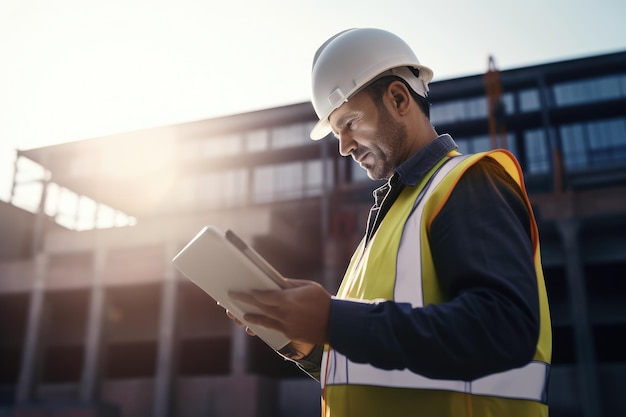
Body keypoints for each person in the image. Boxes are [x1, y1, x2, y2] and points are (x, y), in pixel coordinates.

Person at [228, 27, 552, 417]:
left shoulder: (465, 184)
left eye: (348, 123)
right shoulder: (384, 227)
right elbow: (378, 365)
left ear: (399, 98)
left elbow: (502, 330)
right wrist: (309, 343)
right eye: (336, 133)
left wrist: (332, 319)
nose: (344, 147)